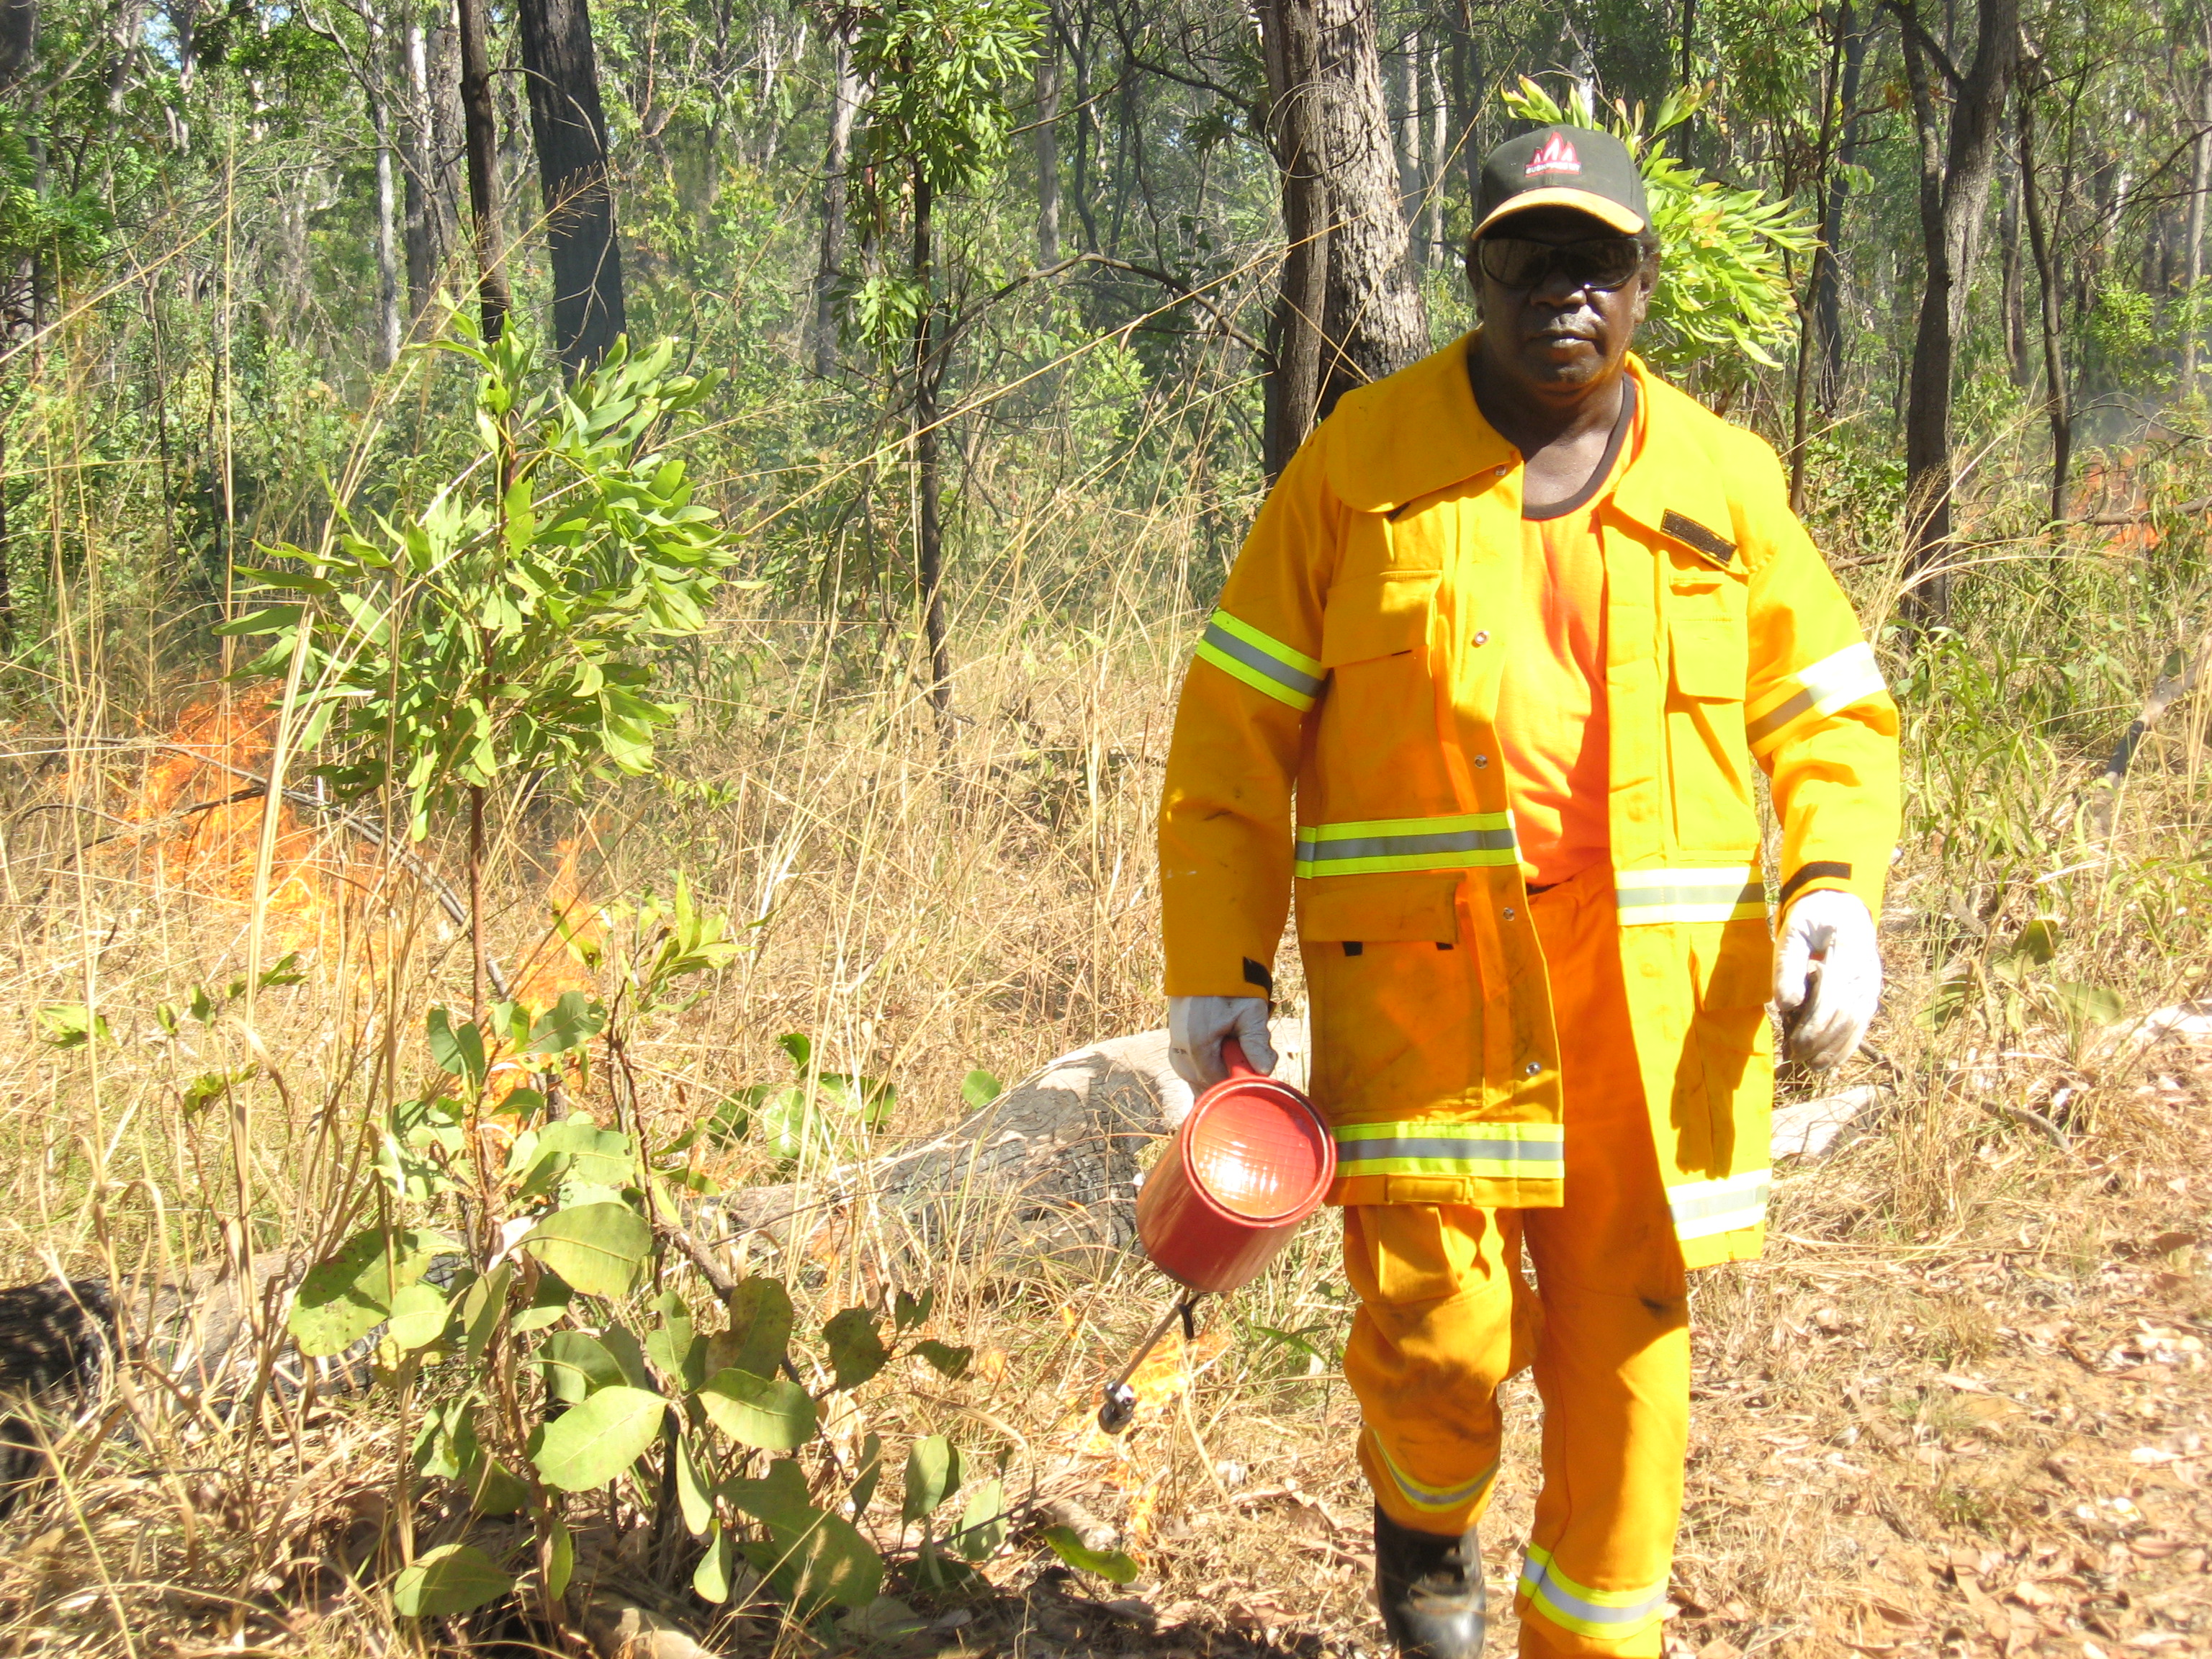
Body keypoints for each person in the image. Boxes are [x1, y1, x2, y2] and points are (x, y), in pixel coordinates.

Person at [1156, 124, 1899, 1659]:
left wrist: (1835, 888)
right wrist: (1214, 964)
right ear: (1476, 274)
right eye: (1527, 261)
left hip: (1650, 1008)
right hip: (1428, 992)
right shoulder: (1361, 464)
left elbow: (1826, 709)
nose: (1565, 296)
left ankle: (1591, 1640)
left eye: (1597, 265)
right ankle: (1430, 1556)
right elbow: (1235, 724)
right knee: (1438, 1326)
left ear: (1643, 283)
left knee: (1628, 1350)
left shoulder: (1724, 479)